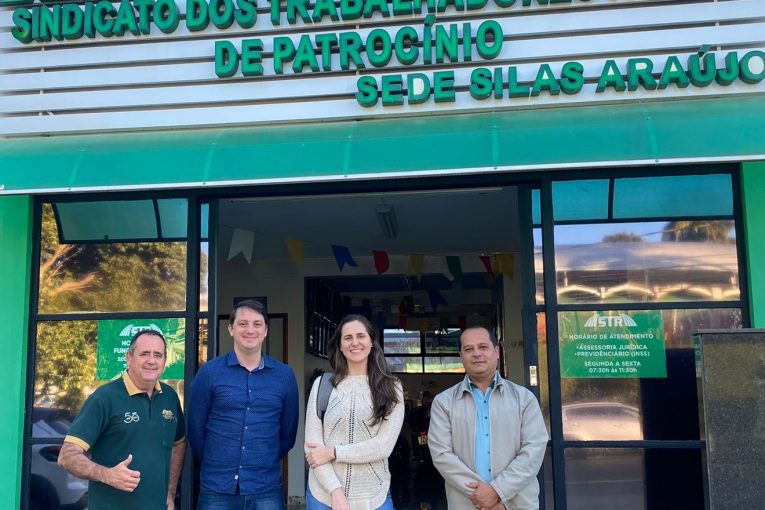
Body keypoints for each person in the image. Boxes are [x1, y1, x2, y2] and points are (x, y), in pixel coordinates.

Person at [188, 299, 299, 509]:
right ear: (231, 329)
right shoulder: (209, 373)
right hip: (217, 488)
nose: (250, 330)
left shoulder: (285, 376)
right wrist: (219, 460)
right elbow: (195, 431)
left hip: (266, 488)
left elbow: (288, 434)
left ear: (265, 331)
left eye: (257, 324)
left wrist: (261, 460)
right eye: (243, 324)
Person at [58, 329, 186, 510]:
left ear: (165, 361)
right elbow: (67, 456)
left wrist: (170, 492)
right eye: (144, 354)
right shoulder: (104, 398)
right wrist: (107, 475)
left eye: (158, 355)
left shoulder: (170, 397)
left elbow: (179, 443)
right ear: (129, 357)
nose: (151, 360)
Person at [428, 327, 548, 510]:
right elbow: (441, 454)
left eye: (483, 347)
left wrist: (498, 492)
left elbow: (534, 449)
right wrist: (484, 497)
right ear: (461, 356)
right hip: (467, 504)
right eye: (469, 349)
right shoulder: (444, 402)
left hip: (516, 504)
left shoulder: (523, 399)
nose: (476, 353)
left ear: (496, 352)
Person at [304, 314, 405, 510]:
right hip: (323, 496)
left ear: (372, 342)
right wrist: (335, 491)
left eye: (361, 336)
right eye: (348, 338)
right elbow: (312, 448)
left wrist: (334, 452)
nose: (355, 343)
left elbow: (383, 446)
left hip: (375, 496)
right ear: (340, 346)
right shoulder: (322, 385)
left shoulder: (391, 387)